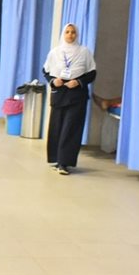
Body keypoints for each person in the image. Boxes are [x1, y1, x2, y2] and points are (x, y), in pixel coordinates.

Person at [42, 22, 97, 175]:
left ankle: (64, 162)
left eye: (73, 32)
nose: (70, 35)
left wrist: (78, 82)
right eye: (67, 32)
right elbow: (46, 71)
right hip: (59, 93)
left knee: (71, 128)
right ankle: (56, 158)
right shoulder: (55, 52)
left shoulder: (84, 52)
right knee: (57, 127)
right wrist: (53, 81)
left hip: (76, 94)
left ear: (77, 34)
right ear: (63, 34)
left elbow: (92, 73)